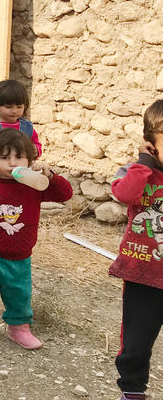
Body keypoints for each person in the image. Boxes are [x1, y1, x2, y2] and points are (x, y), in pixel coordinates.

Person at [0, 128, 72, 349]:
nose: (12, 163)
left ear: (29, 159)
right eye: (4, 157)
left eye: (19, 157)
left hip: (20, 257)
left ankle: (19, 328)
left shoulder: (33, 184)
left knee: (20, 294)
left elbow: (65, 194)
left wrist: (50, 175)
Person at [109, 100, 163, 400]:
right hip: (143, 275)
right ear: (150, 143)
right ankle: (131, 391)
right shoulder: (137, 172)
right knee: (136, 342)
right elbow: (125, 194)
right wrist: (144, 164)